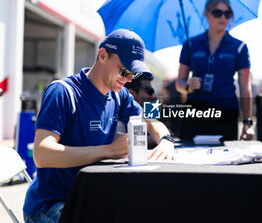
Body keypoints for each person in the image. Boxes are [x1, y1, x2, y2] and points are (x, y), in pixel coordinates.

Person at [23, 29, 175, 223]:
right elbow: (42, 154)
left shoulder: (119, 95)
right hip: (51, 205)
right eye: (125, 70)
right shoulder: (62, 91)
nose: (129, 79)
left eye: (134, 74)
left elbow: (151, 121)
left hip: (89, 198)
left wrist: (165, 140)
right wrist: (108, 150)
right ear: (102, 55)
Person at [175, 0, 254, 141]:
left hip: (226, 110)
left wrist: (247, 122)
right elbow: (179, 83)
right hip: (195, 111)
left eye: (227, 13)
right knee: (189, 160)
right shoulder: (190, 44)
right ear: (207, 14)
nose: (223, 17)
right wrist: (188, 87)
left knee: (224, 161)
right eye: (217, 13)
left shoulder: (239, 47)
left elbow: (245, 87)